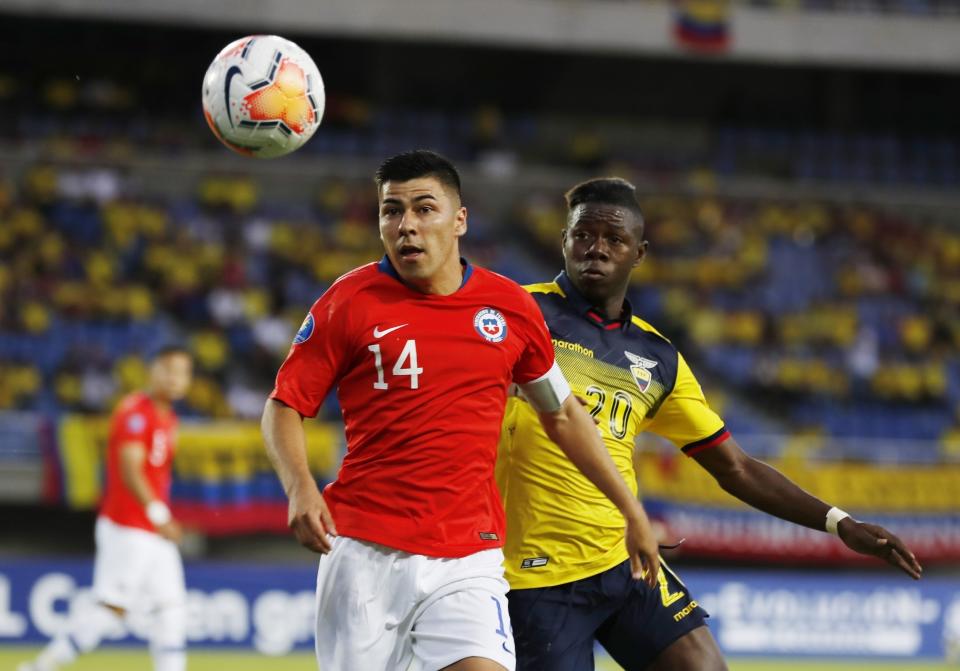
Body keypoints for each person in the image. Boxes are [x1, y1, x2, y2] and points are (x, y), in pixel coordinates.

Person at [496, 177, 924, 671]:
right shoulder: (517, 313)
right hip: (535, 578)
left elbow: (735, 467)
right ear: (564, 240)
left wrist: (838, 522)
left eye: (614, 239)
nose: (596, 249)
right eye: (583, 235)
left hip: (626, 560)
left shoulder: (657, 357)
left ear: (639, 252)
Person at [261, 150, 660, 671]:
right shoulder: (349, 300)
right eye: (391, 211)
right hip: (363, 552)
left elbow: (562, 414)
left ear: (459, 220)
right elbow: (284, 405)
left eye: (424, 209)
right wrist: (299, 487)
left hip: (468, 556)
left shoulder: (510, 308)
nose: (406, 226)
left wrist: (632, 511)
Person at [20, 345, 193, 671]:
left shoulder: (168, 418)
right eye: (169, 369)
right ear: (152, 371)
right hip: (128, 525)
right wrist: (160, 514)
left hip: (152, 530)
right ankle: (39, 667)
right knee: (112, 609)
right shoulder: (134, 412)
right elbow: (131, 470)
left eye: (183, 372)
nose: (175, 379)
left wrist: (158, 517)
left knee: (171, 608)